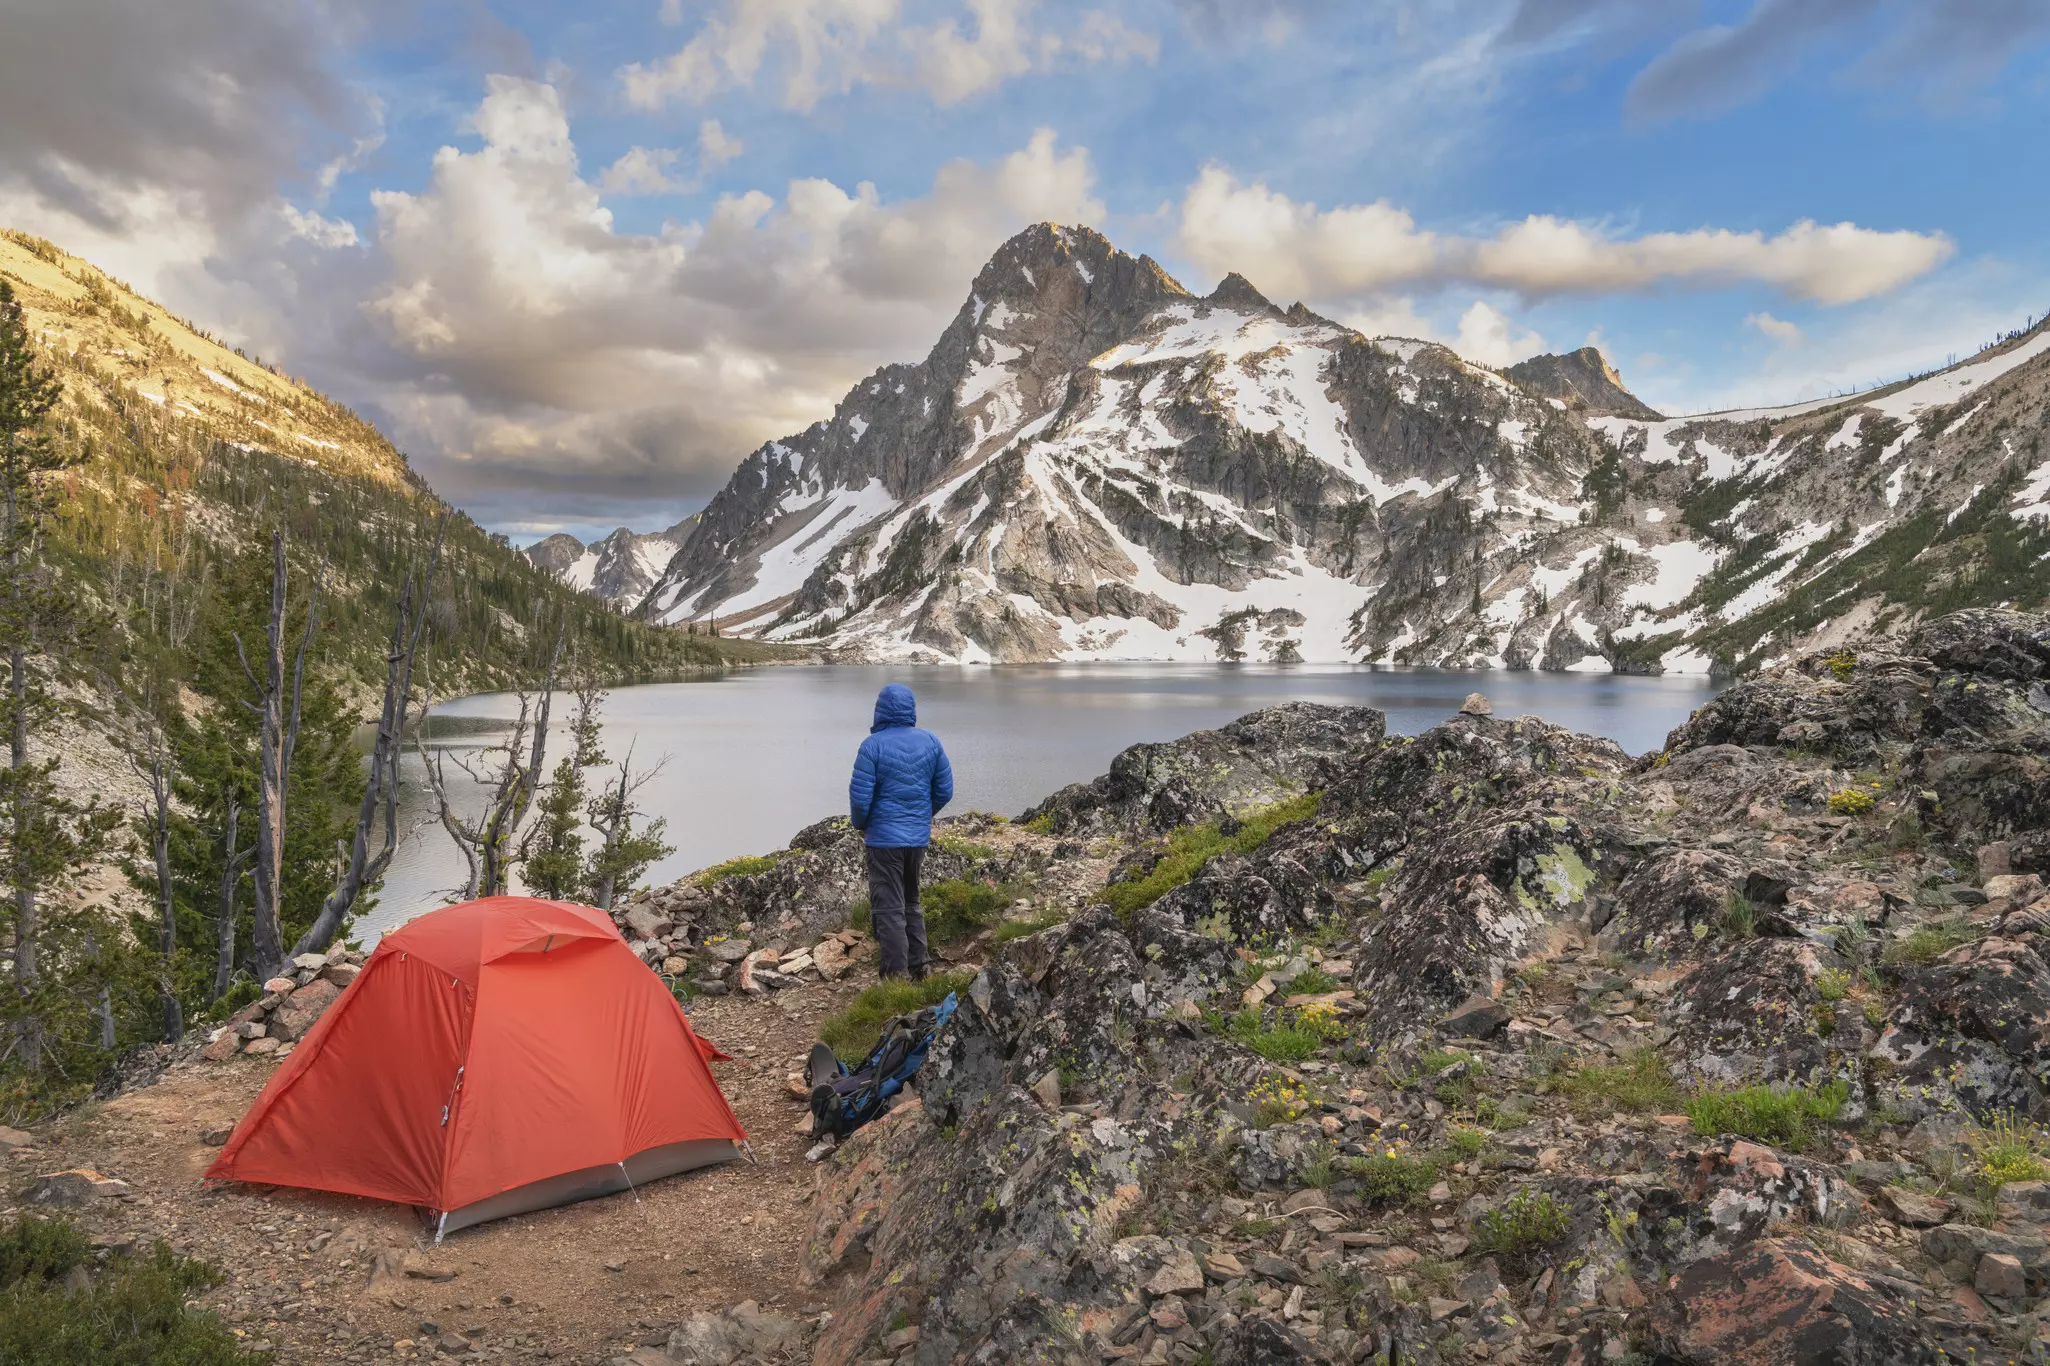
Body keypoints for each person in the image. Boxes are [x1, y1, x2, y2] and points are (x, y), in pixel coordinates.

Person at [848, 682, 953, 980]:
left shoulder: (873, 746)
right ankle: (920, 968)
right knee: (911, 900)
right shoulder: (931, 741)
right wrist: (921, 816)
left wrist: (862, 823)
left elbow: (859, 798)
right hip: (916, 838)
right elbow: (944, 790)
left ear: (880, 710)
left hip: (883, 840)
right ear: (911, 710)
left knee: (889, 907)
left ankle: (895, 977)